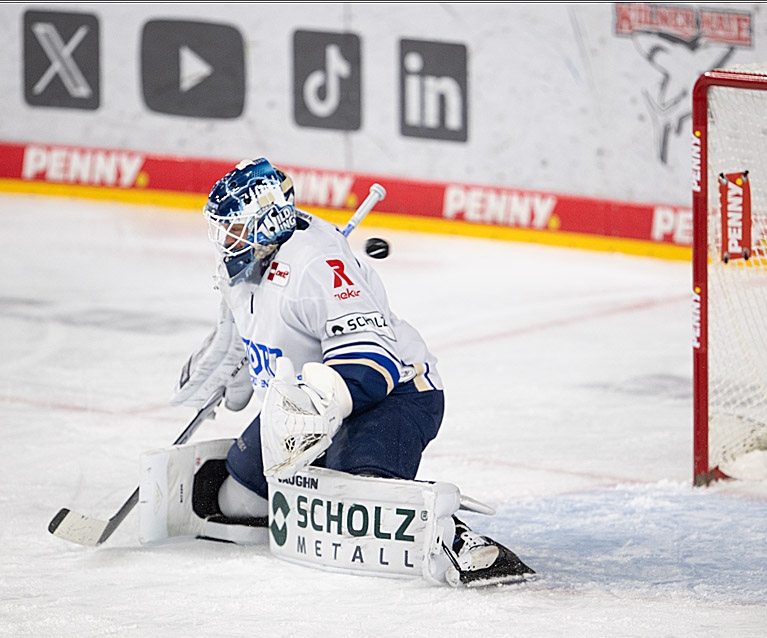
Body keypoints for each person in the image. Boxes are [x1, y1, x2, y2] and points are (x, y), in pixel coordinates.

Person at [164, 157, 534, 586]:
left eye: (234, 227)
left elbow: (370, 364)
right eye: (222, 227)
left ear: (267, 223)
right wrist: (232, 372)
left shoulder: (316, 266)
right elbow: (238, 338)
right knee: (239, 501)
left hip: (394, 396)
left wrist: (321, 410)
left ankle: (456, 540)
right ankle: (320, 497)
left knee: (363, 497)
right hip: (301, 409)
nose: (225, 239)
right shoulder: (242, 267)